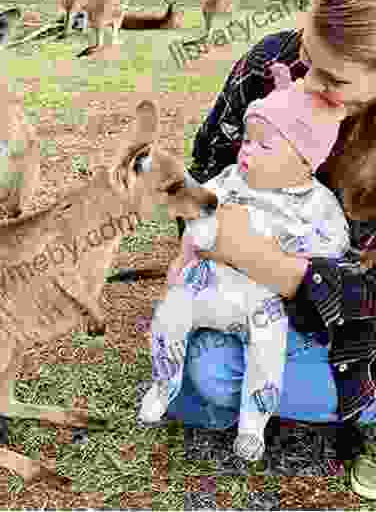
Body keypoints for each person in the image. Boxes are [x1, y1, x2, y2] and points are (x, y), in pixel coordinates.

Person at [153, 0, 376, 501]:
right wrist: (195, 243)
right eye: (309, 58)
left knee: (212, 379)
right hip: (246, 290)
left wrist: (249, 253)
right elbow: (210, 164)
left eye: (333, 82)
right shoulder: (268, 65)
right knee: (193, 385)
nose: (306, 86)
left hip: (352, 331)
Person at [138, 66, 351, 463]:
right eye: (247, 141)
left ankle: (253, 424)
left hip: (262, 299)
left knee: (267, 352)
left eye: (264, 145)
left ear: (307, 160)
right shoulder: (231, 178)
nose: (247, 150)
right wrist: (179, 263)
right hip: (206, 282)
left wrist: (276, 257)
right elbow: (197, 217)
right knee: (169, 319)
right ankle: (163, 385)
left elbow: (326, 260)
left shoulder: (319, 205)